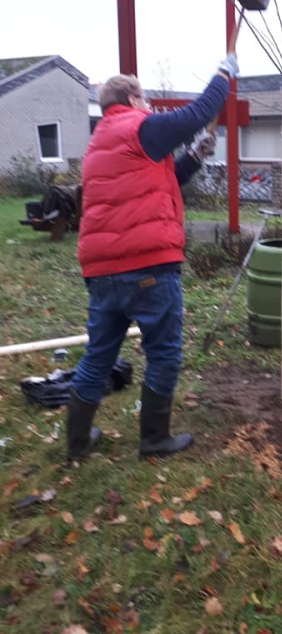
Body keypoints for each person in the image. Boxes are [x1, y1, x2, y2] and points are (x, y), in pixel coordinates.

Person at [66, 53, 239, 462]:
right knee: (163, 352)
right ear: (130, 98)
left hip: (102, 273)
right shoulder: (139, 127)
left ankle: (75, 444)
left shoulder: (99, 145)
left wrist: (195, 158)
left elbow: (159, 182)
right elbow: (199, 111)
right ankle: (154, 439)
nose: (149, 106)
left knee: (99, 354)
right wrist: (223, 75)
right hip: (147, 268)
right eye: (144, 98)